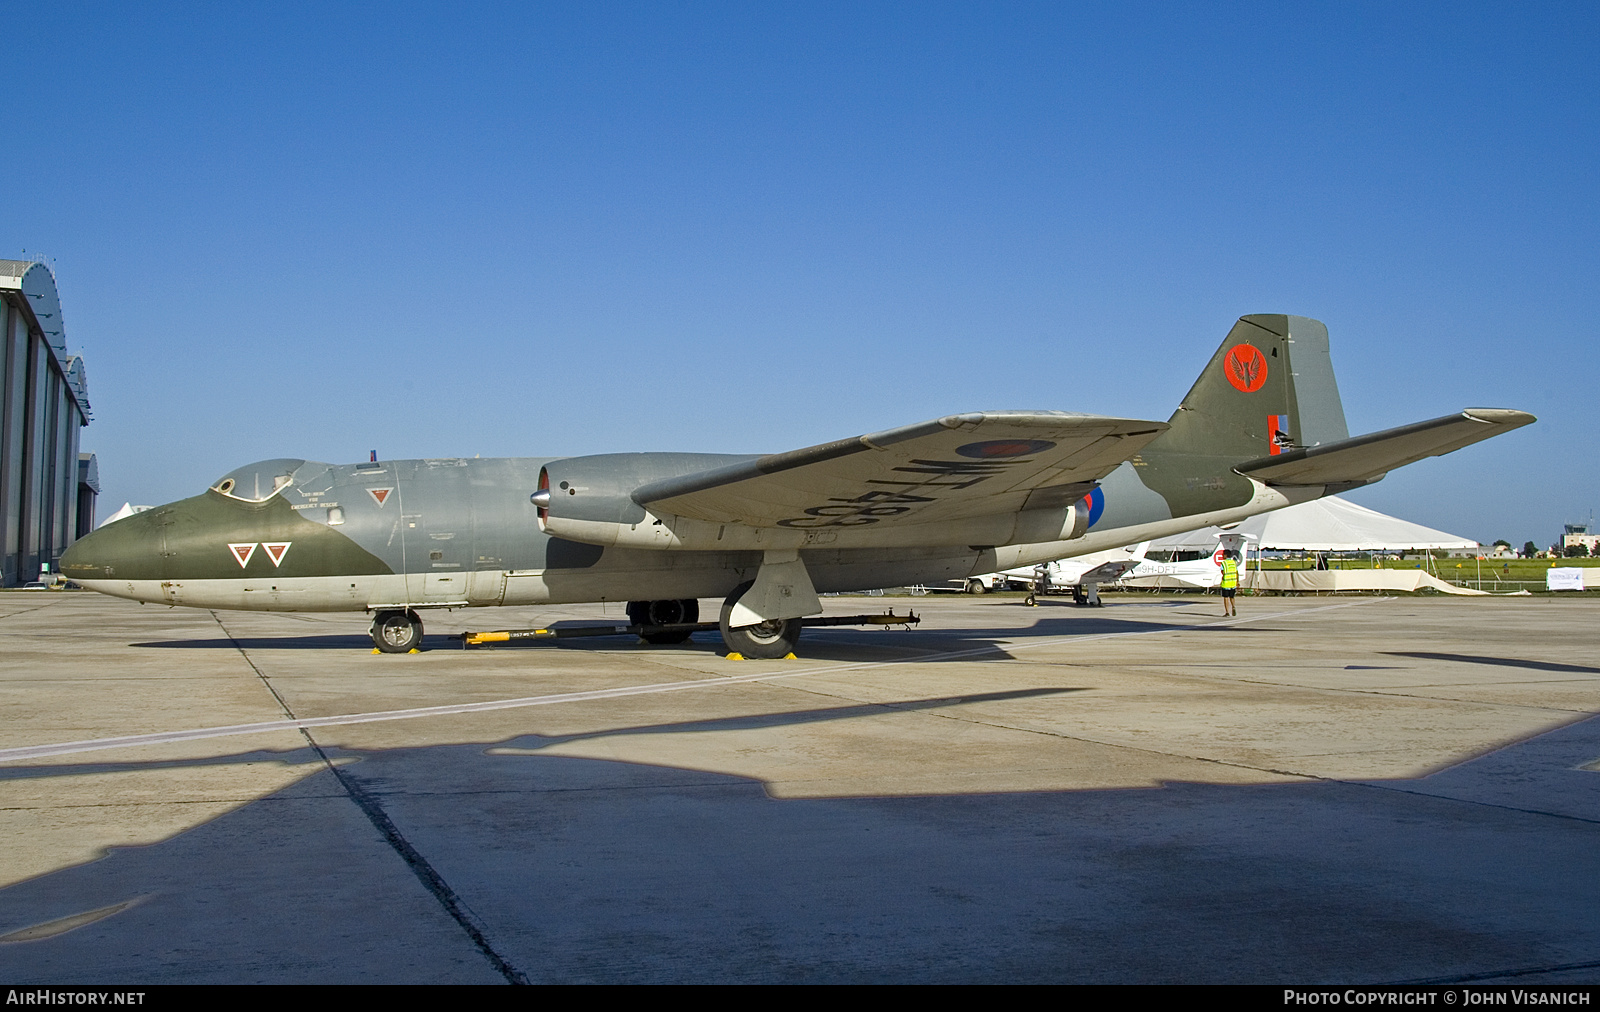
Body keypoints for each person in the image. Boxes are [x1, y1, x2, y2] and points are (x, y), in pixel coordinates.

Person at [1220, 550, 1240, 616]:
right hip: (1233, 582)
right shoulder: (1234, 562)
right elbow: (1237, 573)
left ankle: (1227, 612)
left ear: (1225, 555)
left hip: (1226, 583)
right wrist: (1237, 581)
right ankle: (1233, 606)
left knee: (1226, 597)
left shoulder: (1224, 563)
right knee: (1232, 597)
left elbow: (1222, 572)